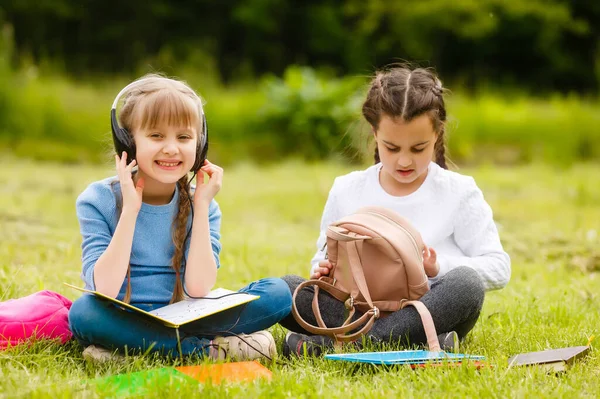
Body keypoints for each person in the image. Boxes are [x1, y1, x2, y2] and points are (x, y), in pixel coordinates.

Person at [279, 66, 511, 356]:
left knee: (467, 286)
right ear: (375, 133)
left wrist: (438, 269)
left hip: (424, 310)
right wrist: (323, 271)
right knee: (285, 290)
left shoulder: (459, 191)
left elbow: (498, 268)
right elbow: (322, 256)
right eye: (391, 147)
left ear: (437, 134)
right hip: (356, 311)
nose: (404, 161)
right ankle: (418, 343)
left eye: (418, 148)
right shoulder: (347, 188)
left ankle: (342, 345)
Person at [68, 74, 292, 363]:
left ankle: (131, 351)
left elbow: (198, 289)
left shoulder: (204, 204)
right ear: (127, 142)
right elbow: (105, 289)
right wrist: (130, 211)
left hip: (186, 316)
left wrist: (200, 207)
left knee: (278, 293)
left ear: (200, 145)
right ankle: (204, 351)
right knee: (84, 312)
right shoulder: (97, 200)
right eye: (156, 136)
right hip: (121, 315)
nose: (172, 148)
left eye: (184, 137)